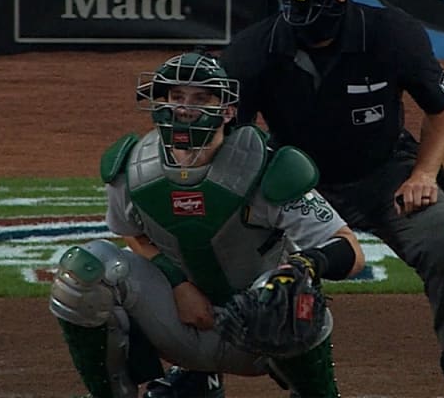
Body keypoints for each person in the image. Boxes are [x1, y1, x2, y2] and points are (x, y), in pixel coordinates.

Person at [218, 0, 444, 398]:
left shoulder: (391, 33)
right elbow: (230, 139)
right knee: (220, 243)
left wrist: (425, 172)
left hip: (384, 175)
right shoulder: (252, 49)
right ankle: (202, 364)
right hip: (296, 184)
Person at [48, 51, 365, 398]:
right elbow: (130, 233)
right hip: (180, 325)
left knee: (290, 292)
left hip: (259, 333)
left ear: (227, 111)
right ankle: (156, 386)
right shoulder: (130, 168)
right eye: (176, 96)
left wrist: (306, 265)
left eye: (200, 98)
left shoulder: (268, 169)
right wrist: (178, 283)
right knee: (85, 271)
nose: (184, 108)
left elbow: (349, 248)